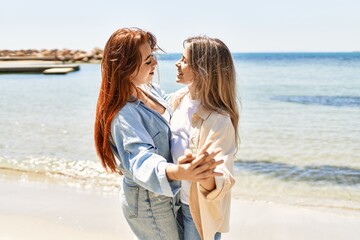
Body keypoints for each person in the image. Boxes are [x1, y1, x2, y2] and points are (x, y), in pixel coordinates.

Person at [94, 28, 223, 240]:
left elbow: (179, 106)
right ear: (125, 68)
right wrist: (180, 172)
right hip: (147, 203)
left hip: (168, 195)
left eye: (152, 56)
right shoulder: (123, 114)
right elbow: (140, 159)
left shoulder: (148, 90)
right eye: (147, 61)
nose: (155, 64)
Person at [169, 36, 239, 240]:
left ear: (202, 69)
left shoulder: (219, 119)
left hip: (198, 211)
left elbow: (223, 177)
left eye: (184, 60)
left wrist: (203, 173)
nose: (177, 63)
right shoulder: (178, 99)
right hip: (173, 202)